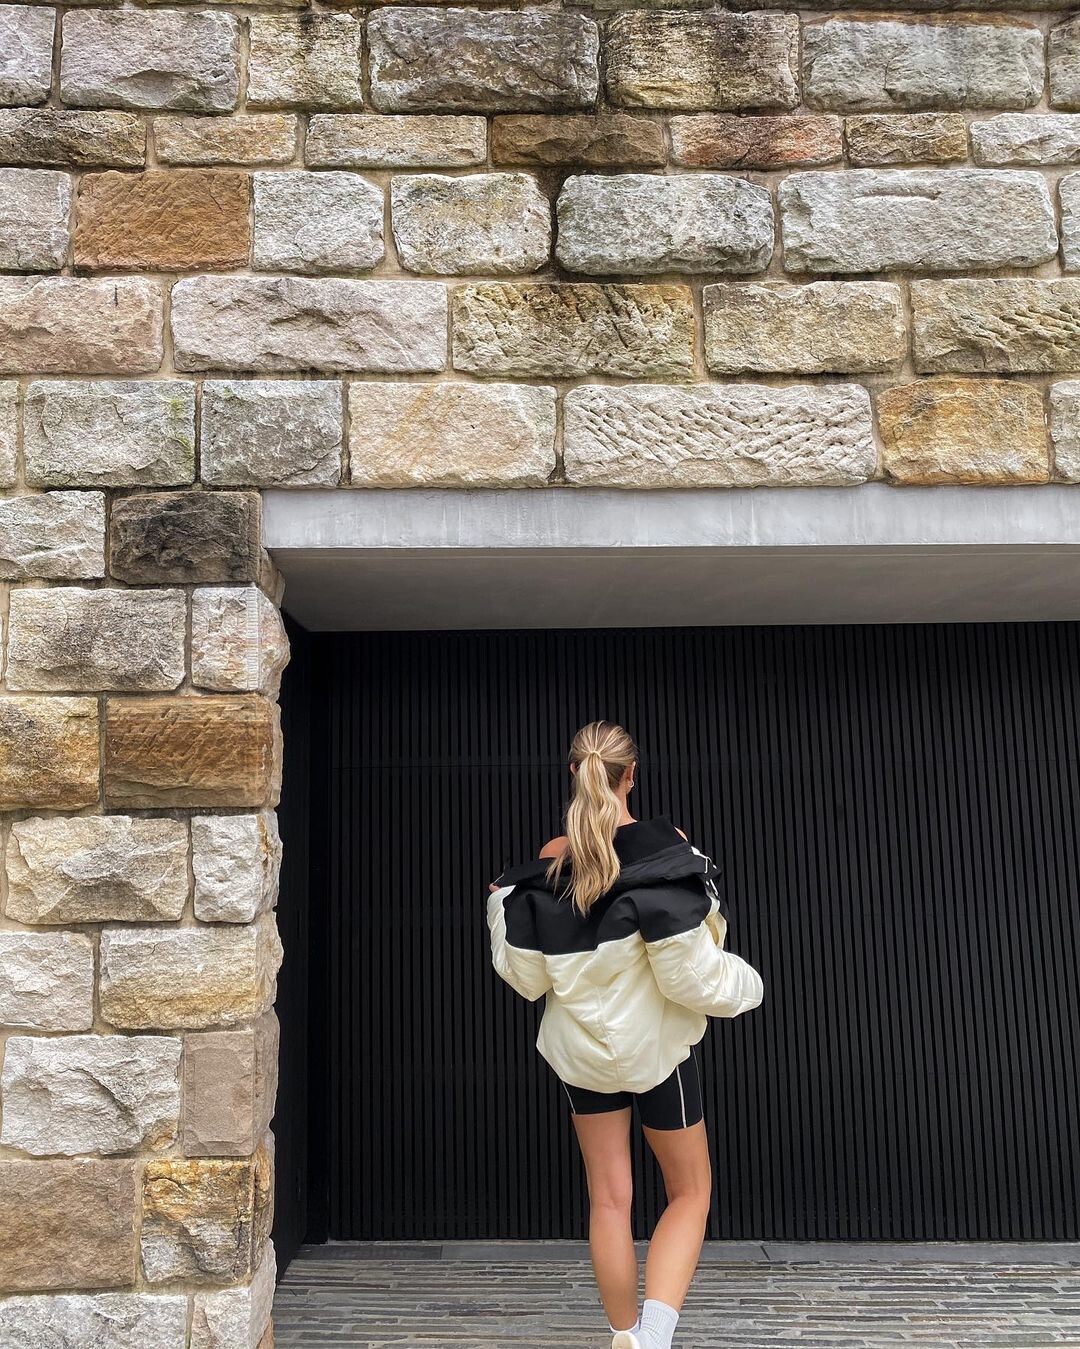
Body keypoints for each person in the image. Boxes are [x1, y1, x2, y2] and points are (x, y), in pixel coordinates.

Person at [486, 720, 764, 1349]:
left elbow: (525, 976)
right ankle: (653, 1338)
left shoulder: (553, 857)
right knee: (690, 1193)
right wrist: (751, 985)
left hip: (582, 1057)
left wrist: (499, 904)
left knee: (609, 1200)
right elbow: (691, 976)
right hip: (658, 1054)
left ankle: (623, 1334)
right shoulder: (667, 848)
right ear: (631, 775)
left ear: (573, 773)